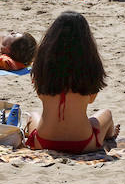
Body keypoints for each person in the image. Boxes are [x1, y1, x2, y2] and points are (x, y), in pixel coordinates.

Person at [22, 11, 119, 153]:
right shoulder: (90, 67)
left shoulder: (42, 68)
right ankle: (109, 135)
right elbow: (91, 100)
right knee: (107, 114)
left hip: (43, 141)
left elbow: (40, 94)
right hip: (84, 143)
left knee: (33, 116)